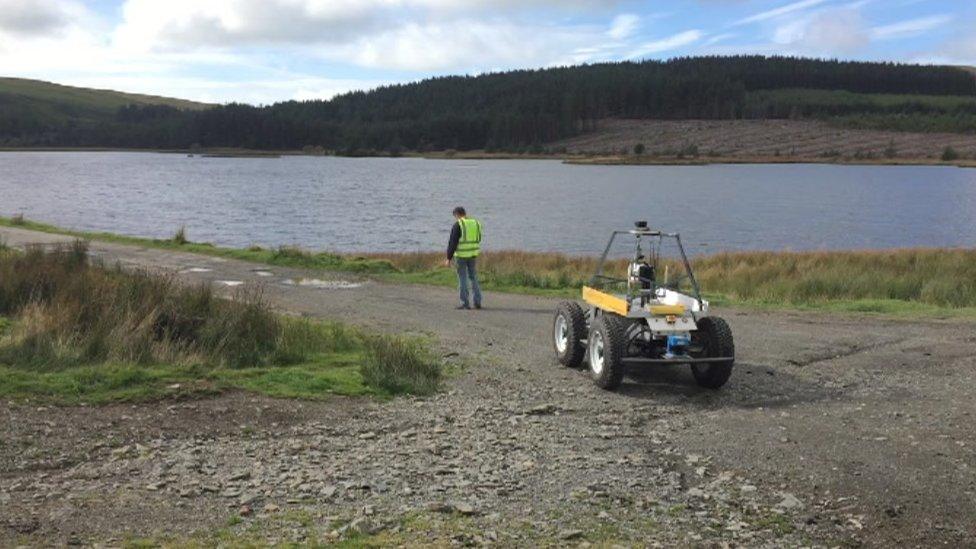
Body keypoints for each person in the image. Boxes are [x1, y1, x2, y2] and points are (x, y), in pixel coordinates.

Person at [443, 206, 483, 310]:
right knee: (473, 277)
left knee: (462, 279)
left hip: (461, 256)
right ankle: (477, 302)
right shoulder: (476, 223)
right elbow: (479, 238)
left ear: (456, 214)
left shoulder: (458, 225)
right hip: (473, 254)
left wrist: (448, 258)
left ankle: (465, 303)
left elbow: (453, 243)